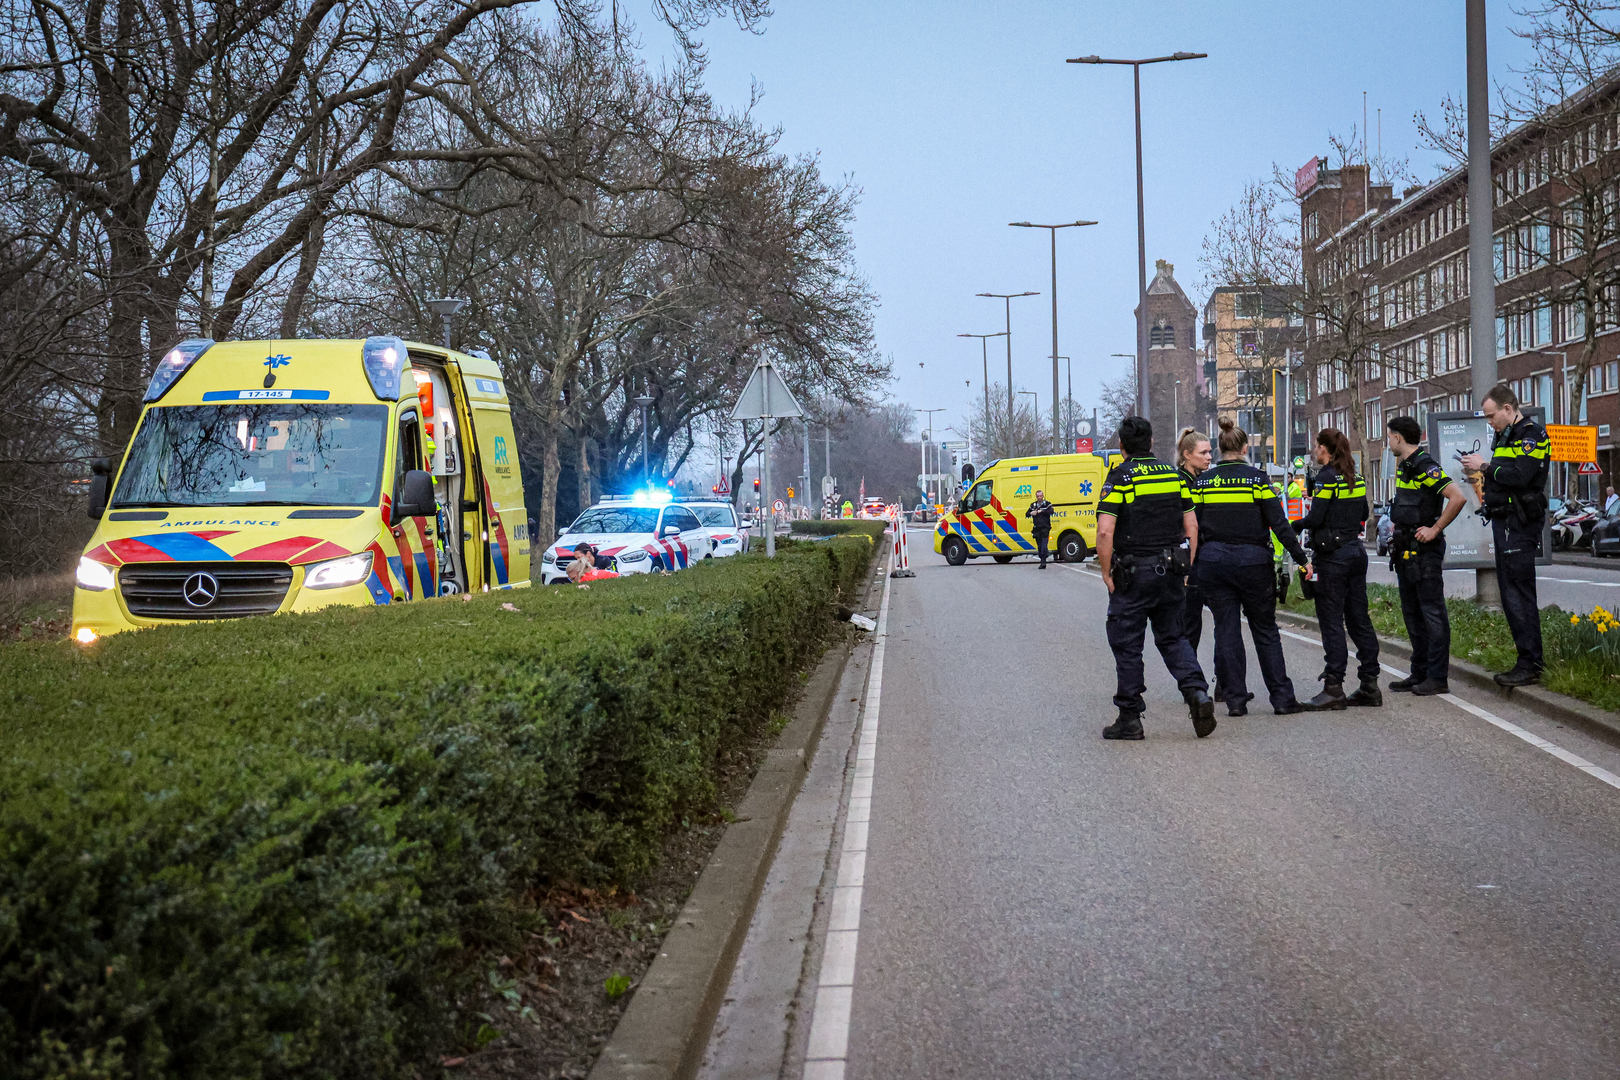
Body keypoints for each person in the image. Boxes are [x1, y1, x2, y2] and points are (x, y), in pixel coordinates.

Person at [1095, 416, 1216, 741]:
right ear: (1150, 442)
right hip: (1171, 571)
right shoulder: (1173, 476)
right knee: (1174, 638)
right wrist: (1187, 569)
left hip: (1133, 574)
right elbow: (1192, 526)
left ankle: (1130, 718)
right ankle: (1197, 693)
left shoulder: (1120, 477)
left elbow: (1105, 531)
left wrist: (1106, 573)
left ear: (1121, 445)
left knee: (1127, 644)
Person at [1190, 419, 1314, 717]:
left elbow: (1191, 525)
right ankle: (1282, 698)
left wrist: (1192, 563)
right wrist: (1302, 559)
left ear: (1218, 449)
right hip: (1253, 563)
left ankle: (1235, 700)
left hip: (1214, 563)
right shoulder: (1257, 481)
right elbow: (1280, 524)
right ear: (1245, 449)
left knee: (1226, 629)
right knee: (1265, 629)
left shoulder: (1203, 482)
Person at [1460, 382, 1551, 686]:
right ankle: (1525, 660)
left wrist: (1484, 466)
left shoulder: (1531, 435)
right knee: (1509, 593)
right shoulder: (1506, 435)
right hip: (1505, 521)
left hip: (1519, 522)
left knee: (1518, 593)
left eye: (1491, 416)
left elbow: (1521, 476)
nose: (1490, 422)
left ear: (1508, 409)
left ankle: (1531, 664)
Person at [1293, 429, 1380, 709]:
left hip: (1332, 557)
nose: (1314, 451)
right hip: (1356, 553)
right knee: (1359, 620)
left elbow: (1316, 517)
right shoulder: (1357, 477)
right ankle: (1370, 684)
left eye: (1316, 446)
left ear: (1324, 449)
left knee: (1331, 621)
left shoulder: (1327, 477)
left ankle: (1333, 687)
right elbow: (1364, 514)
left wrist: (1296, 525)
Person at [1385, 416, 1467, 696]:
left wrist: (1435, 529)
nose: (1389, 442)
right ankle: (1419, 672)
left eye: (1389, 437)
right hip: (1407, 548)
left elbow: (1457, 497)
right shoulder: (1406, 465)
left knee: (1431, 612)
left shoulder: (1424, 465)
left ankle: (1437, 677)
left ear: (1397, 437)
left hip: (1424, 552)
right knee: (1413, 613)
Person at [1175, 427, 1214, 655]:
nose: (1209, 457)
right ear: (1187, 455)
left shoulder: (1202, 481)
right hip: (1189, 562)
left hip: (1205, 560)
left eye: (1210, 452)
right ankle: (1190, 673)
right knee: (1189, 624)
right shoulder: (1181, 483)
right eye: (1203, 453)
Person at [1026, 489, 1055, 568]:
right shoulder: (1033, 505)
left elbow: (1051, 511)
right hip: (1037, 528)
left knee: (1043, 546)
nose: (1039, 498)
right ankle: (1043, 558)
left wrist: (1040, 511)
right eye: (1038, 496)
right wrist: (1031, 513)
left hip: (1045, 527)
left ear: (1043, 496)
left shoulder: (1047, 504)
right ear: (1036, 497)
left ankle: (1043, 563)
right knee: (1039, 547)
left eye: (1040, 496)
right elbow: (1027, 514)